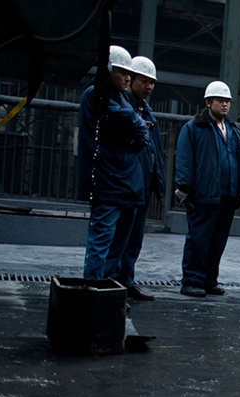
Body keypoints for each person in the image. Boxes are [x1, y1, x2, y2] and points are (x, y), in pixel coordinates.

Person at [77, 45, 149, 281]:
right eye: (122, 72)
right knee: (101, 242)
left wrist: (135, 128)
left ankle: (106, 291)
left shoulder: (119, 99)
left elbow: (140, 133)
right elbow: (132, 122)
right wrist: (135, 127)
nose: (128, 77)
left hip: (126, 185)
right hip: (108, 184)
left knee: (117, 246)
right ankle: (93, 290)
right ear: (108, 70)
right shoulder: (96, 95)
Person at [174, 80, 240, 297]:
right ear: (208, 102)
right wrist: (184, 187)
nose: (225, 105)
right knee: (198, 239)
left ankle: (209, 280)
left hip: (228, 196)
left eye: (227, 101)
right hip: (204, 195)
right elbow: (185, 160)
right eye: (220, 100)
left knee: (218, 241)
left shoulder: (234, 131)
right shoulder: (193, 128)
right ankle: (191, 280)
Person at [119, 56, 166, 301]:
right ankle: (116, 284)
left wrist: (158, 182)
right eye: (144, 81)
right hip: (128, 184)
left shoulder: (144, 110)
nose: (148, 86)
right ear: (131, 79)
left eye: (152, 82)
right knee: (121, 237)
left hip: (142, 186)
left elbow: (154, 150)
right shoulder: (123, 107)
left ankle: (126, 282)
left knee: (135, 238)